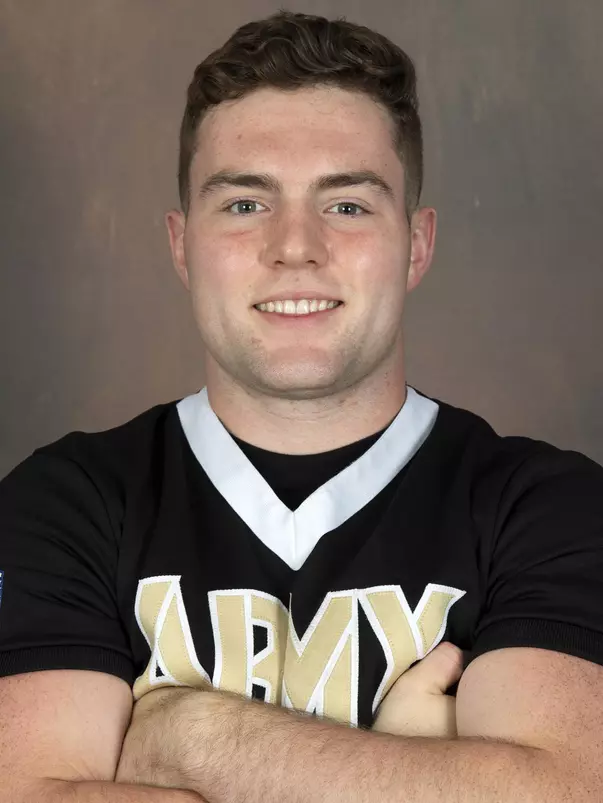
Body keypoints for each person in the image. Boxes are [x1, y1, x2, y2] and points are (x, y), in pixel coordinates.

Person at [1, 9, 602, 802]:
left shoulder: (547, 506)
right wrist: (413, 775)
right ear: (181, 245)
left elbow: (563, 789)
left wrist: (184, 740)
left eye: (347, 204)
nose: (295, 245)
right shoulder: (65, 503)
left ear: (415, 244)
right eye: (245, 203)